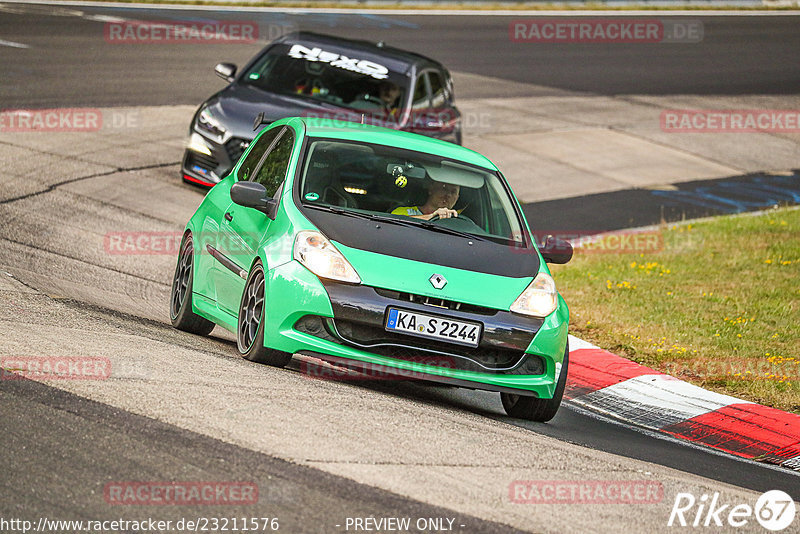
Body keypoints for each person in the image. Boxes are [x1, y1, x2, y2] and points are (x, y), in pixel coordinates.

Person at [392, 181, 460, 220]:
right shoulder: (402, 211)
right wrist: (432, 217)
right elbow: (393, 223)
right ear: (431, 189)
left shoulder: (456, 223)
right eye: (444, 189)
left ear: (457, 198)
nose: (448, 195)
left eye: (453, 192)